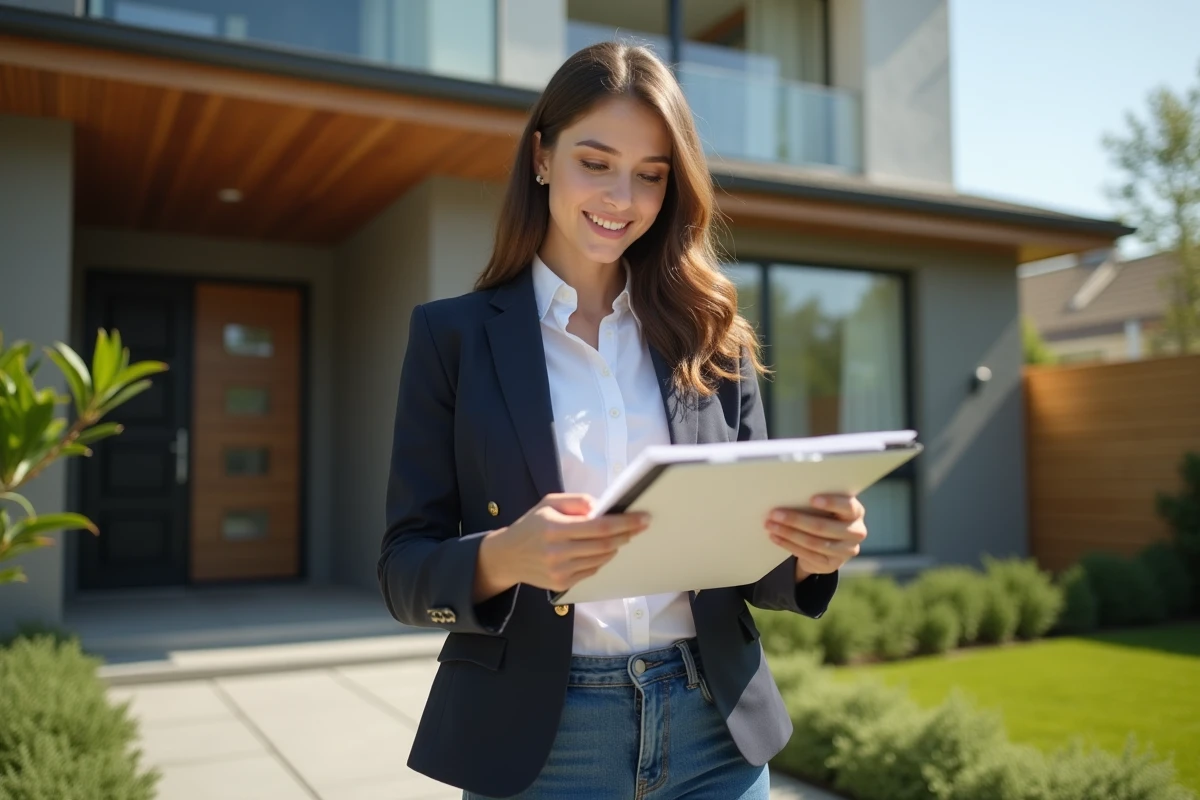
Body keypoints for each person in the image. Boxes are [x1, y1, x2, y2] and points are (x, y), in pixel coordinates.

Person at [378, 41, 869, 800]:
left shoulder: (714, 338)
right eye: (596, 162)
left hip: (715, 734)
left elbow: (753, 564)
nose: (622, 198)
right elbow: (404, 570)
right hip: (541, 747)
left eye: (650, 175)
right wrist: (507, 557)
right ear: (542, 157)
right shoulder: (453, 340)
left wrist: (812, 552)